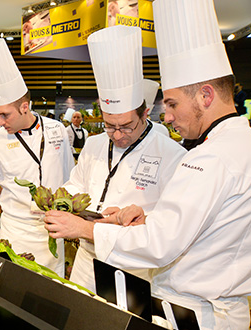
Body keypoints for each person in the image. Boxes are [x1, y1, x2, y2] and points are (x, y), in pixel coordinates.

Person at [45, 0, 251, 330]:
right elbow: (194, 225)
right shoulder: (241, 142)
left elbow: (162, 243)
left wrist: (87, 229)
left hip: (200, 318)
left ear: (205, 95)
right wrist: (147, 218)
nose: (167, 117)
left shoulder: (211, 156)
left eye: (172, 104)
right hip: (200, 312)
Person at [61, 25, 186, 292]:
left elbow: (172, 226)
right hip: (85, 261)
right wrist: (64, 201)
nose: (117, 135)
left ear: (145, 114)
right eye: (110, 126)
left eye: (127, 126)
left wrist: (135, 217)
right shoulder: (94, 144)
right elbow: (76, 184)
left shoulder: (171, 155)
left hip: (132, 269)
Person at [0, 36, 74, 275]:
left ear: (25, 107)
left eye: (5, 115)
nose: (0, 122)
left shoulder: (56, 129)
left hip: (53, 233)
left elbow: (70, 177)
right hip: (15, 234)